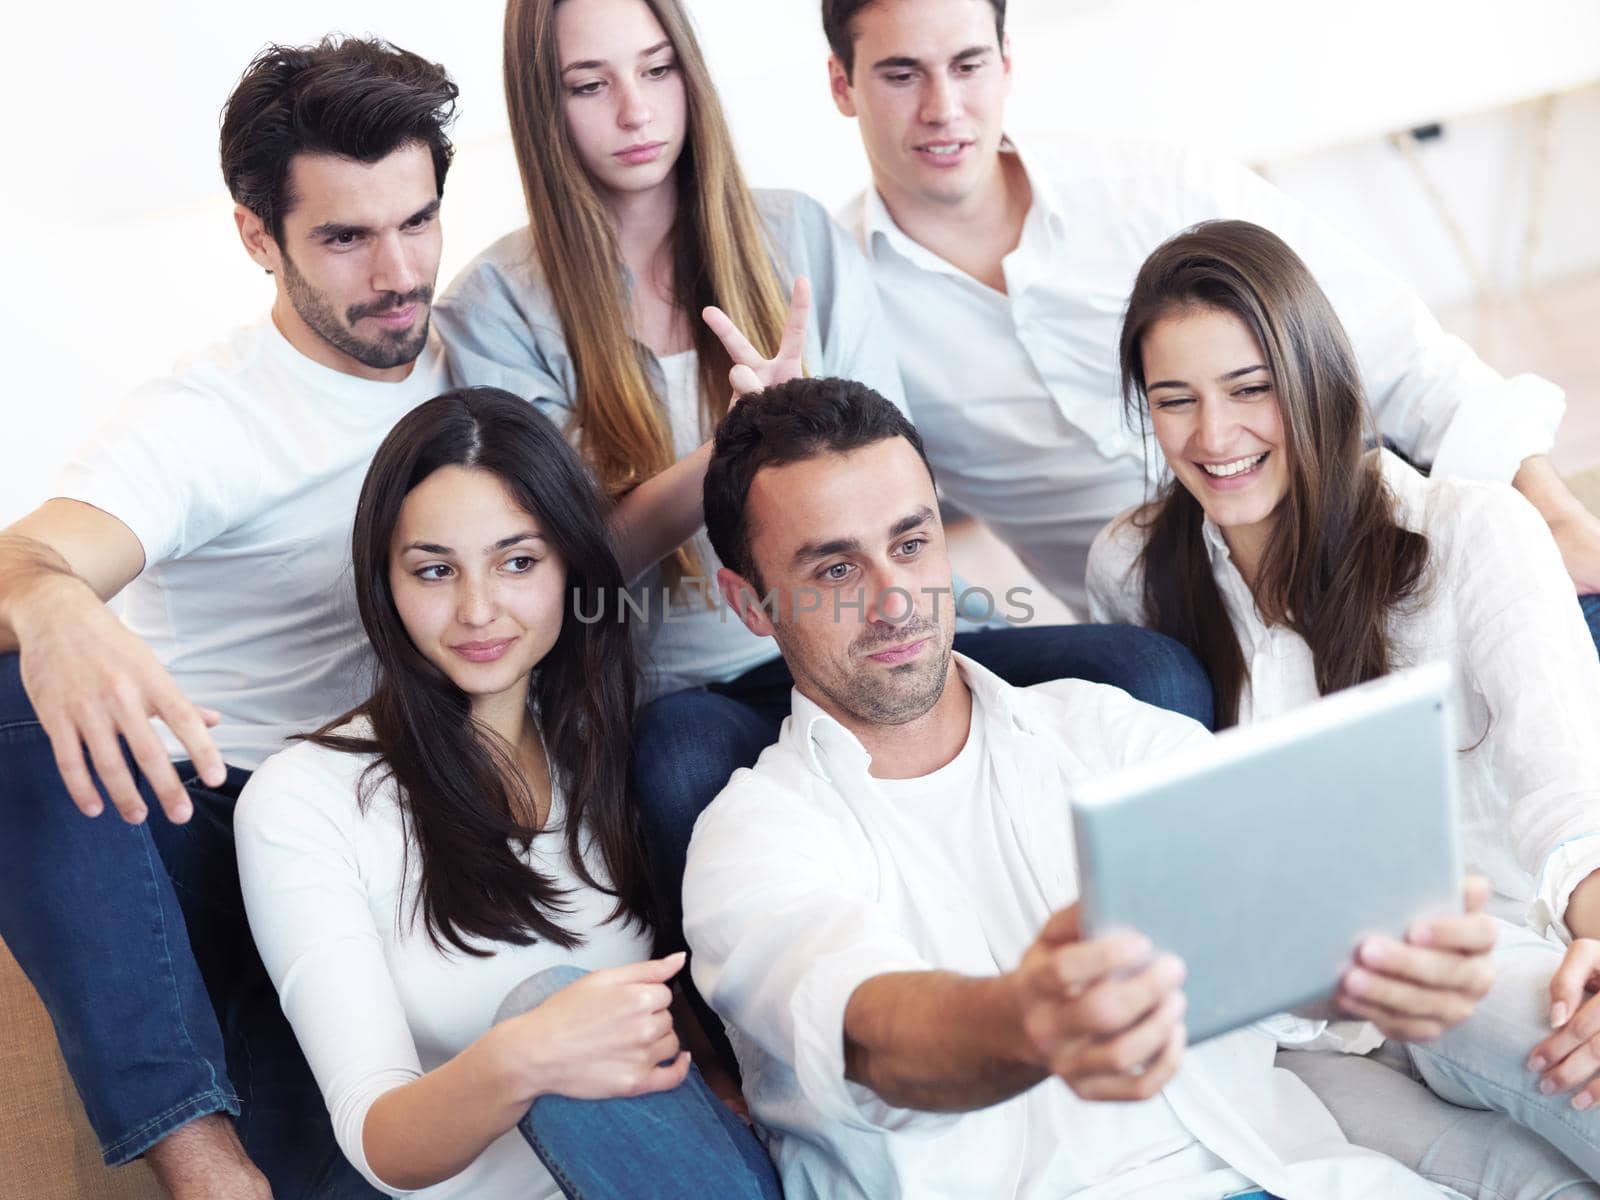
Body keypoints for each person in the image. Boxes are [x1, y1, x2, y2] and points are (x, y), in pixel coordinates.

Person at [434, 0, 1213, 1004]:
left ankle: (1154, 964)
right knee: (677, 774)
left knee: (1151, 672)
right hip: (700, 686)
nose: (634, 110)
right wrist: (731, 450)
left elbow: (893, 469)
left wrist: (804, 428)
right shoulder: (499, 303)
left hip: (882, 629)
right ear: (544, 107)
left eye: (657, 69)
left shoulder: (795, 231)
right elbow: (553, 565)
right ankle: (735, 1052)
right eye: (590, 85)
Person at [681, 374, 1499, 1199]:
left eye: (910, 544)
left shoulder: (1106, 731)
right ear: (751, 602)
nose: (895, 600)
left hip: (1286, 1175)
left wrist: (1381, 962)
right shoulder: (753, 839)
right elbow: (875, 1037)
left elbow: (1276, 945)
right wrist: (1027, 1020)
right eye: (833, 569)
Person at [0, 37, 460, 1199]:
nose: (398, 271)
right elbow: (33, 550)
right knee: (11, 696)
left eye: (416, 221)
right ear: (258, 239)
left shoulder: (480, 353)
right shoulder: (204, 419)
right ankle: (201, 1161)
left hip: (391, 828)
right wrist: (52, 602)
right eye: (345, 238)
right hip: (210, 816)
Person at [821, 0, 1600, 647]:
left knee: (1565, 607)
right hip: (1169, 615)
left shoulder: (1154, 187)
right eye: (900, 74)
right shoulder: (843, 295)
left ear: (1006, 64)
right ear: (842, 83)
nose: (943, 109)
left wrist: (1555, 511)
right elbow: (866, 521)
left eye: (967, 65)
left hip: (1349, 519)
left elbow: (1395, 344)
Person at [1086, 219, 1600, 1194]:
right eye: (1173, 401)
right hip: (1295, 1026)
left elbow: (1573, 807)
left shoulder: (1469, 532)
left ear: (1315, 377)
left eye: (1249, 389)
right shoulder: (1129, 570)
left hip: (1474, 962)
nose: (1213, 436)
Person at [233, 388, 780, 1200]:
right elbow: (378, 1137)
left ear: (570, 568)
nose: (478, 610)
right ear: (384, 583)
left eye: (518, 562)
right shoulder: (305, 801)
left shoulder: (608, 754)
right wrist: (526, 1053)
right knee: (547, 1001)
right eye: (434, 570)